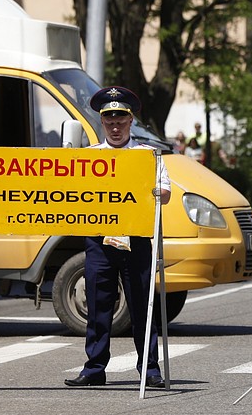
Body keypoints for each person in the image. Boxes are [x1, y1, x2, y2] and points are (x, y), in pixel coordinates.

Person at [65, 86, 172, 389]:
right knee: (98, 307)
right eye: (109, 120)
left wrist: (155, 192)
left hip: (136, 240)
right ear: (102, 122)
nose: (115, 126)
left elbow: (166, 191)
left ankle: (149, 369)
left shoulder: (146, 156)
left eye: (120, 120)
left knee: (142, 307)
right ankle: (95, 368)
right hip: (100, 241)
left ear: (130, 122)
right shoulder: (89, 158)